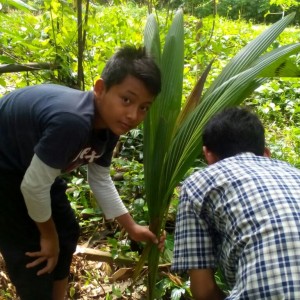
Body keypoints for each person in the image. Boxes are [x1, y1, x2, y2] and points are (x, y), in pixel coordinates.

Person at [0, 45, 163, 300]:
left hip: (33, 167)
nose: (133, 115)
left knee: (66, 233)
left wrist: (131, 227)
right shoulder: (73, 121)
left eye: (144, 107)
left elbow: (99, 178)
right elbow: (33, 187)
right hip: (6, 169)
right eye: (127, 100)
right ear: (100, 89)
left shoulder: (109, 125)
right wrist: (47, 237)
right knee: (34, 256)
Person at [172, 107, 300, 299]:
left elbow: (204, 291)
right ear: (266, 153)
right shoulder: (294, 174)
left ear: (208, 154)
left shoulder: (197, 184)